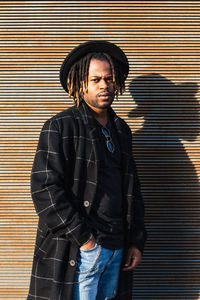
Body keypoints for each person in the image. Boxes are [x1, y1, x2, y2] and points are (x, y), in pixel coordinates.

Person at [27, 40, 147, 300]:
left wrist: (136, 240)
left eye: (109, 78)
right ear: (80, 84)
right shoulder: (60, 127)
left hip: (117, 249)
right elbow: (45, 190)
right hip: (78, 251)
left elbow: (132, 190)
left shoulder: (122, 131)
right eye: (96, 80)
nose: (104, 85)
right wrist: (86, 241)